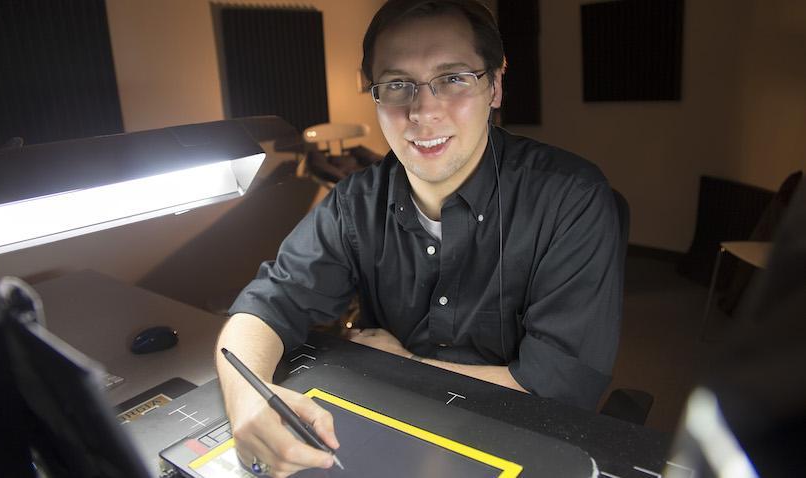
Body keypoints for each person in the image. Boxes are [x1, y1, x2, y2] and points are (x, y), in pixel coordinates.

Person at [216, 0, 623, 476]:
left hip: (519, 441)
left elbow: (556, 389)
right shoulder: (355, 203)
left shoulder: (570, 196)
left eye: (453, 78)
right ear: (374, 91)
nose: (423, 112)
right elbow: (265, 306)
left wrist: (402, 364)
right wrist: (247, 399)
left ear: (495, 84)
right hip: (393, 429)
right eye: (397, 84)